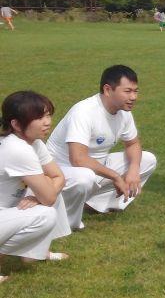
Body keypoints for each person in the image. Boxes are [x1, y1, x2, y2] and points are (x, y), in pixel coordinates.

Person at [47, 65, 157, 230]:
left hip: (93, 169)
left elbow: (133, 143)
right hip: (60, 174)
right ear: (107, 90)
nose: (133, 97)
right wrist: (116, 177)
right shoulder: (84, 112)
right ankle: (67, 223)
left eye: (136, 91)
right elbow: (77, 159)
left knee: (147, 160)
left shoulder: (124, 112)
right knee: (85, 177)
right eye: (127, 91)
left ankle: (95, 205)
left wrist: (134, 170)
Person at [0, 91, 72, 281]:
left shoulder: (34, 143)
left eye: (48, 115)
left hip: (6, 211)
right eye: (39, 117)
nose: (47, 122)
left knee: (49, 188)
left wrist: (42, 193)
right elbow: (48, 197)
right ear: (16, 124)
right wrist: (43, 194)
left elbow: (59, 176)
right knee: (45, 210)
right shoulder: (16, 149)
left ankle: (35, 251)